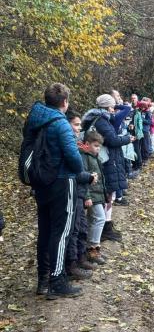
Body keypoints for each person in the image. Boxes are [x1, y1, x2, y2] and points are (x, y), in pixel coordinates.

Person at [25, 83, 84, 299]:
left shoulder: (35, 118)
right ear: (65, 102)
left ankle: (43, 279)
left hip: (41, 181)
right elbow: (74, 160)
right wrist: (78, 166)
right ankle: (57, 280)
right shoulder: (61, 124)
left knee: (46, 230)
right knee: (62, 232)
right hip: (62, 181)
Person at [82, 94, 134, 242]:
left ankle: (106, 225)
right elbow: (112, 140)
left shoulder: (100, 118)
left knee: (108, 195)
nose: (113, 109)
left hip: (105, 161)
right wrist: (127, 139)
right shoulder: (102, 121)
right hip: (105, 162)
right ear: (106, 107)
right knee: (105, 195)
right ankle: (102, 229)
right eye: (111, 106)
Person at [65, 111, 97, 281]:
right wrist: (89, 177)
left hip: (81, 192)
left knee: (82, 228)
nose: (78, 128)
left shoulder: (78, 144)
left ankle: (80, 258)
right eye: (76, 125)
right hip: (74, 192)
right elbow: (75, 172)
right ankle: (72, 265)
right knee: (74, 229)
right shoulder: (69, 144)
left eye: (79, 125)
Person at [79, 131, 107, 265]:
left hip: (97, 195)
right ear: (87, 144)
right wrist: (87, 196)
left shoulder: (95, 157)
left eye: (99, 146)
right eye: (95, 146)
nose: (98, 148)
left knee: (92, 220)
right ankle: (93, 248)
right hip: (91, 196)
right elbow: (84, 178)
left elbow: (100, 180)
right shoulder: (84, 157)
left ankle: (91, 248)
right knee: (100, 218)